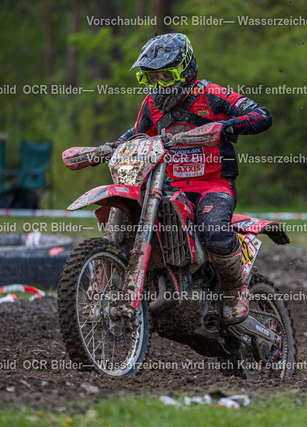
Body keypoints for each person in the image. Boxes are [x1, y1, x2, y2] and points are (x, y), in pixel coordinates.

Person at [116, 33, 272, 325]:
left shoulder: (211, 94)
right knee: (128, 218)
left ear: (185, 70)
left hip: (214, 185)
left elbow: (261, 115)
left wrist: (226, 126)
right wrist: (106, 149)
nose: (159, 84)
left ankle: (235, 290)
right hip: (170, 187)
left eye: (166, 76)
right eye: (151, 77)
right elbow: (134, 136)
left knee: (213, 229)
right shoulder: (151, 105)